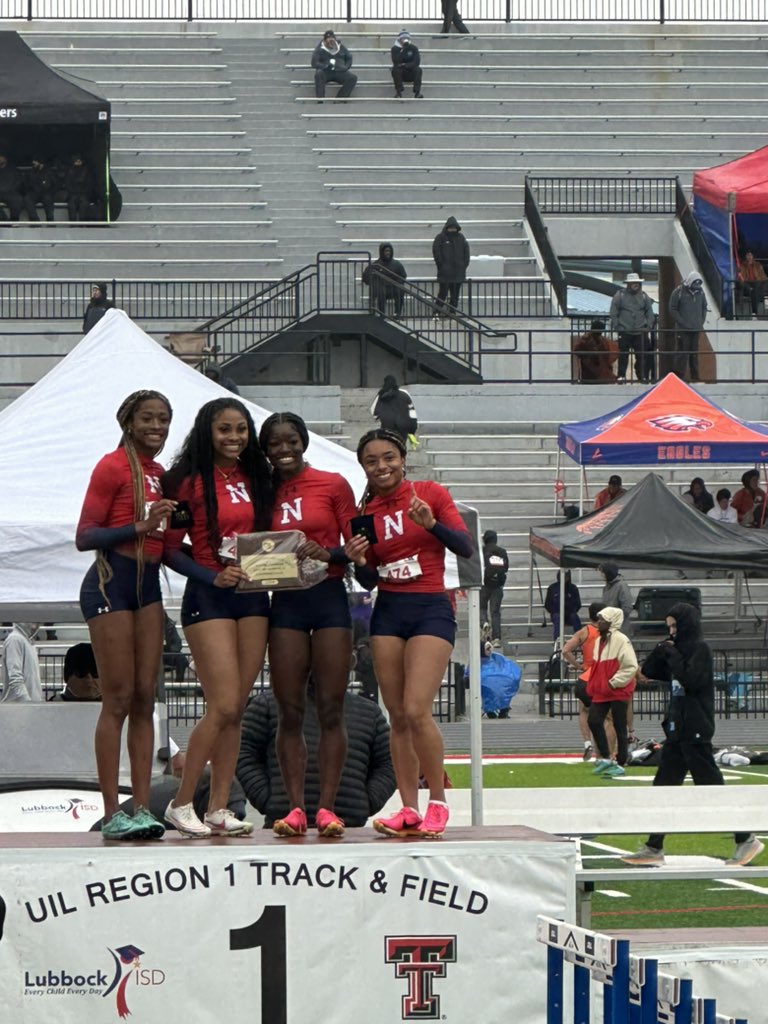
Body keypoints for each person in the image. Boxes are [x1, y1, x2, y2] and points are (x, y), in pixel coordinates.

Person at [346, 428, 474, 839]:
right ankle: (408, 808)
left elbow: (465, 547)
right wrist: (359, 561)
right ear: (363, 467)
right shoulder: (365, 512)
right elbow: (369, 579)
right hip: (388, 612)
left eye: (388, 458)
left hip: (430, 608)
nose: (381, 467)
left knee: (417, 709)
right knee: (397, 714)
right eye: (371, 461)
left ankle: (438, 799)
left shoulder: (430, 494)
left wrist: (431, 524)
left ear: (403, 459)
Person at [162, 397, 274, 838]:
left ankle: (219, 807)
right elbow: (171, 550)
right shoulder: (185, 480)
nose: (234, 437)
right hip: (209, 599)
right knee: (223, 704)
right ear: (207, 431)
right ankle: (181, 802)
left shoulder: (258, 475)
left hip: (254, 596)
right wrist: (212, 575)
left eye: (241, 429)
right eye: (225, 429)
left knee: (235, 710)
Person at [76, 389, 176, 841]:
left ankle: (142, 807)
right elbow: (85, 535)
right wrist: (142, 525)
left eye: (163, 419)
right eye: (148, 418)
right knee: (116, 698)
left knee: (143, 699)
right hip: (110, 581)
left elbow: (167, 543)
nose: (156, 427)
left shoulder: (160, 475)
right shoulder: (112, 466)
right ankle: (111, 810)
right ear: (129, 422)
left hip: (147, 585)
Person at [258, 411, 358, 838]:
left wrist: (328, 553)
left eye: (291, 440)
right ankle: (295, 807)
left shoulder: (333, 484)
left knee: (332, 706)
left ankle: (327, 809)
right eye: (275, 443)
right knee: (290, 709)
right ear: (265, 450)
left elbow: (357, 545)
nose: (284, 449)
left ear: (304, 441)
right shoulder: (262, 490)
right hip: (286, 603)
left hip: (329, 598)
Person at [622, 602, 764, 867]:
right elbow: (649, 672)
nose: (672, 631)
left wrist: (672, 653)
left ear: (685, 624)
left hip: (696, 728)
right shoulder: (678, 650)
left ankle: (746, 838)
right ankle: (654, 847)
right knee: (663, 787)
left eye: (675, 626)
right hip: (677, 730)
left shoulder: (700, 649)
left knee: (711, 786)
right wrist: (662, 649)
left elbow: (691, 680)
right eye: (669, 627)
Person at [237, 684, 396, 828]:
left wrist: (366, 802)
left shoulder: (368, 712)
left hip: (350, 829)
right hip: (283, 828)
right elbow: (244, 753)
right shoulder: (267, 705)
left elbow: (389, 762)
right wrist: (267, 799)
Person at [586, 607, 637, 777]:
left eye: (603, 620)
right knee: (594, 720)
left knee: (619, 725)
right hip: (604, 689)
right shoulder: (599, 641)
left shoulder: (621, 640)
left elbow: (631, 666)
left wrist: (614, 682)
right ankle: (607, 758)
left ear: (612, 622)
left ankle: (620, 762)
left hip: (616, 689)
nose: (599, 622)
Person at [562, 601, 615, 761]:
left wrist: (578, 666)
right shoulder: (609, 632)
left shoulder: (584, 632)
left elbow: (565, 650)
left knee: (584, 711)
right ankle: (606, 753)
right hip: (602, 676)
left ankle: (587, 743)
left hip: (585, 677)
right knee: (607, 718)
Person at [609, 272, 655, 384]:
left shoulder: (644, 296)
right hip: (624, 331)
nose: (636, 285)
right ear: (628, 284)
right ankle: (621, 376)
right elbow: (613, 312)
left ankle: (642, 376)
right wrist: (618, 327)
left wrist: (648, 326)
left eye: (637, 283)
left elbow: (650, 312)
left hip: (640, 331)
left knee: (642, 356)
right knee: (623, 355)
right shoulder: (619, 295)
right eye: (633, 283)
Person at [669, 272, 707, 382]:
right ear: (690, 282)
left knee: (694, 354)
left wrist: (701, 321)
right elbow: (672, 309)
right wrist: (682, 322)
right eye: (695, 284)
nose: (697, 286)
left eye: (699, 284)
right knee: (681, 354)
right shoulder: (678, 292)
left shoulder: (701, 293)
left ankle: (695, 378)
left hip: (695, 329)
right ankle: (678, 378)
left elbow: (704, 307)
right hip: (683, 330)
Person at [432, 215, 470, 315]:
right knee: (442, 293)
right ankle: (436, 312)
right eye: (451, 228)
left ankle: (452, 313)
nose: (452, 230)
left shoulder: (461, 238)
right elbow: (436, 252)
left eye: (454, 228)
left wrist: (463, 266)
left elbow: (466, 254)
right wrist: (441, 265)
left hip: (458, 273)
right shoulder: (440, 238)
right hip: (445, 273)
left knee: (455, 295)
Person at [370, 374, 418, 447]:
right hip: (402, 428)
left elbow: (374, 411)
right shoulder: (404, 395)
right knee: (400, 448)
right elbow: (412, 413)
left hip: (386, 427)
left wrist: (380, 416)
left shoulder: (381, 395)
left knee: (388, 448)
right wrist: (412, 430)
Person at [363, 243, 408, 318]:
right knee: (380, 290)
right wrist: (375, 283)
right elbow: (366, 277)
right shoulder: (376, 265)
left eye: (389, 251)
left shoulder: (397, 264)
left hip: (392, 288)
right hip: (380, 289)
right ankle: (382, 314)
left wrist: (396, 283)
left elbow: (403, 276)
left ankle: (397, 313)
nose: (388, 253)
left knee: (400, 289)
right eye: (386, 251)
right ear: (382, 252)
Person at [479, 528, 508, 645]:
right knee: (495, 612)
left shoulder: (482, 551)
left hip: (484, 584)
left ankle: (484, 623)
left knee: (482, 607)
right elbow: (506, 568)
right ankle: (496, 638)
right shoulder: (502, 551)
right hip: (498, 585)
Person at [1, 623, 43, 703]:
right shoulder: (14, 640)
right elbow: (15, 677)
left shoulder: (28, 642)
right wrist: (27, 703)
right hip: (19, 707)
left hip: (28, 706)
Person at [311, 30, 357, 101]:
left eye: (332, 39)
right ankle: (320, 100)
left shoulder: (341, 47)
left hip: (339, 71)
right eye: (329, 39)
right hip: (326, 72)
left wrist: (346, 67)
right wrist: (325, 66)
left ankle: (340, 99)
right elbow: (314, 63)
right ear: (324, 40)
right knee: (319, 74)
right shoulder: (319, 49)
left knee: (352, 78)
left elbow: (349, 57)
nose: (331, 41)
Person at [544, 571, 582, 641]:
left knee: (574, 617)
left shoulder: (573, 588)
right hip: (556, 614)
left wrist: (570, 611)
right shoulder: (552, 588)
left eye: (566, 576)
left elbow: (578, 604)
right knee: (557, 617)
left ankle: (580, 639)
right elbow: (548, 604)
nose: (564, 578)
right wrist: (555, 611)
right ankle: (557, 640)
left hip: (570, 614)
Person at [598, 561, 633, 632]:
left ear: (608, 573)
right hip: (608, 626)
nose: (600, 574)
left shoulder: (622, 586)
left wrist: (614, 618)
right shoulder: (606, 587)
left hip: (620, 628)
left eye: (602, 572)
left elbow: (627, 607)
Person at [0, 153, 34, 221]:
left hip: (10, 193)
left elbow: (19, 182)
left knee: (18, 199)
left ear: (5, 159)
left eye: (1, 157)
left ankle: (14, 220)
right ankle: (4, 219)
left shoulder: (14, 170)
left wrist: (11, 190)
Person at [391, 30, 423, 98]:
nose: (405, 40)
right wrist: (403, 50)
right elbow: (396, 61)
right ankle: (399, 92)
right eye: (403, 38)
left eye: (407, 38)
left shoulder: (413, 48)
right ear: (399, 39)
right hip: (401, 72)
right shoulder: (395, 49)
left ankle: (417, 92)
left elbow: (416, 62)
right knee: (395, 70)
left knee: (418, 70)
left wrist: (405, 65)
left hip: (410, 71)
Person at [24, 156, 56, 222]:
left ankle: (50, 221)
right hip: (34, 193)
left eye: (35, 163)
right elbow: (26, 184)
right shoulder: (30, 172)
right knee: (27, 199)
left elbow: (55, 184)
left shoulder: (49, 172)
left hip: (46, 193)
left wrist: (51, 192)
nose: (33, 165)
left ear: (41, 163)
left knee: (48, 199)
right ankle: (35, 221)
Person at [66, 154, 96, 221]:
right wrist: (73, 193)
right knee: (72, 204)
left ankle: (82, 223)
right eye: (77, 161)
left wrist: (83, 193)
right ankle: (72, 223)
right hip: (73, 194)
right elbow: (68, 184)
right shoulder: (69, 171)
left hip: (84, 194)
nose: (78, 163)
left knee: (84, 204)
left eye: (79, 161)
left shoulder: (86, 171)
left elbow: (89, 185)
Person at [162, 612, 189, 683]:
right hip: (154, 655)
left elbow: (177, 642)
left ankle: (179, 683)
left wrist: (172, 652)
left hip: (168, 653)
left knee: (182, 659)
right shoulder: (150, 627)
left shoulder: (170, 626)